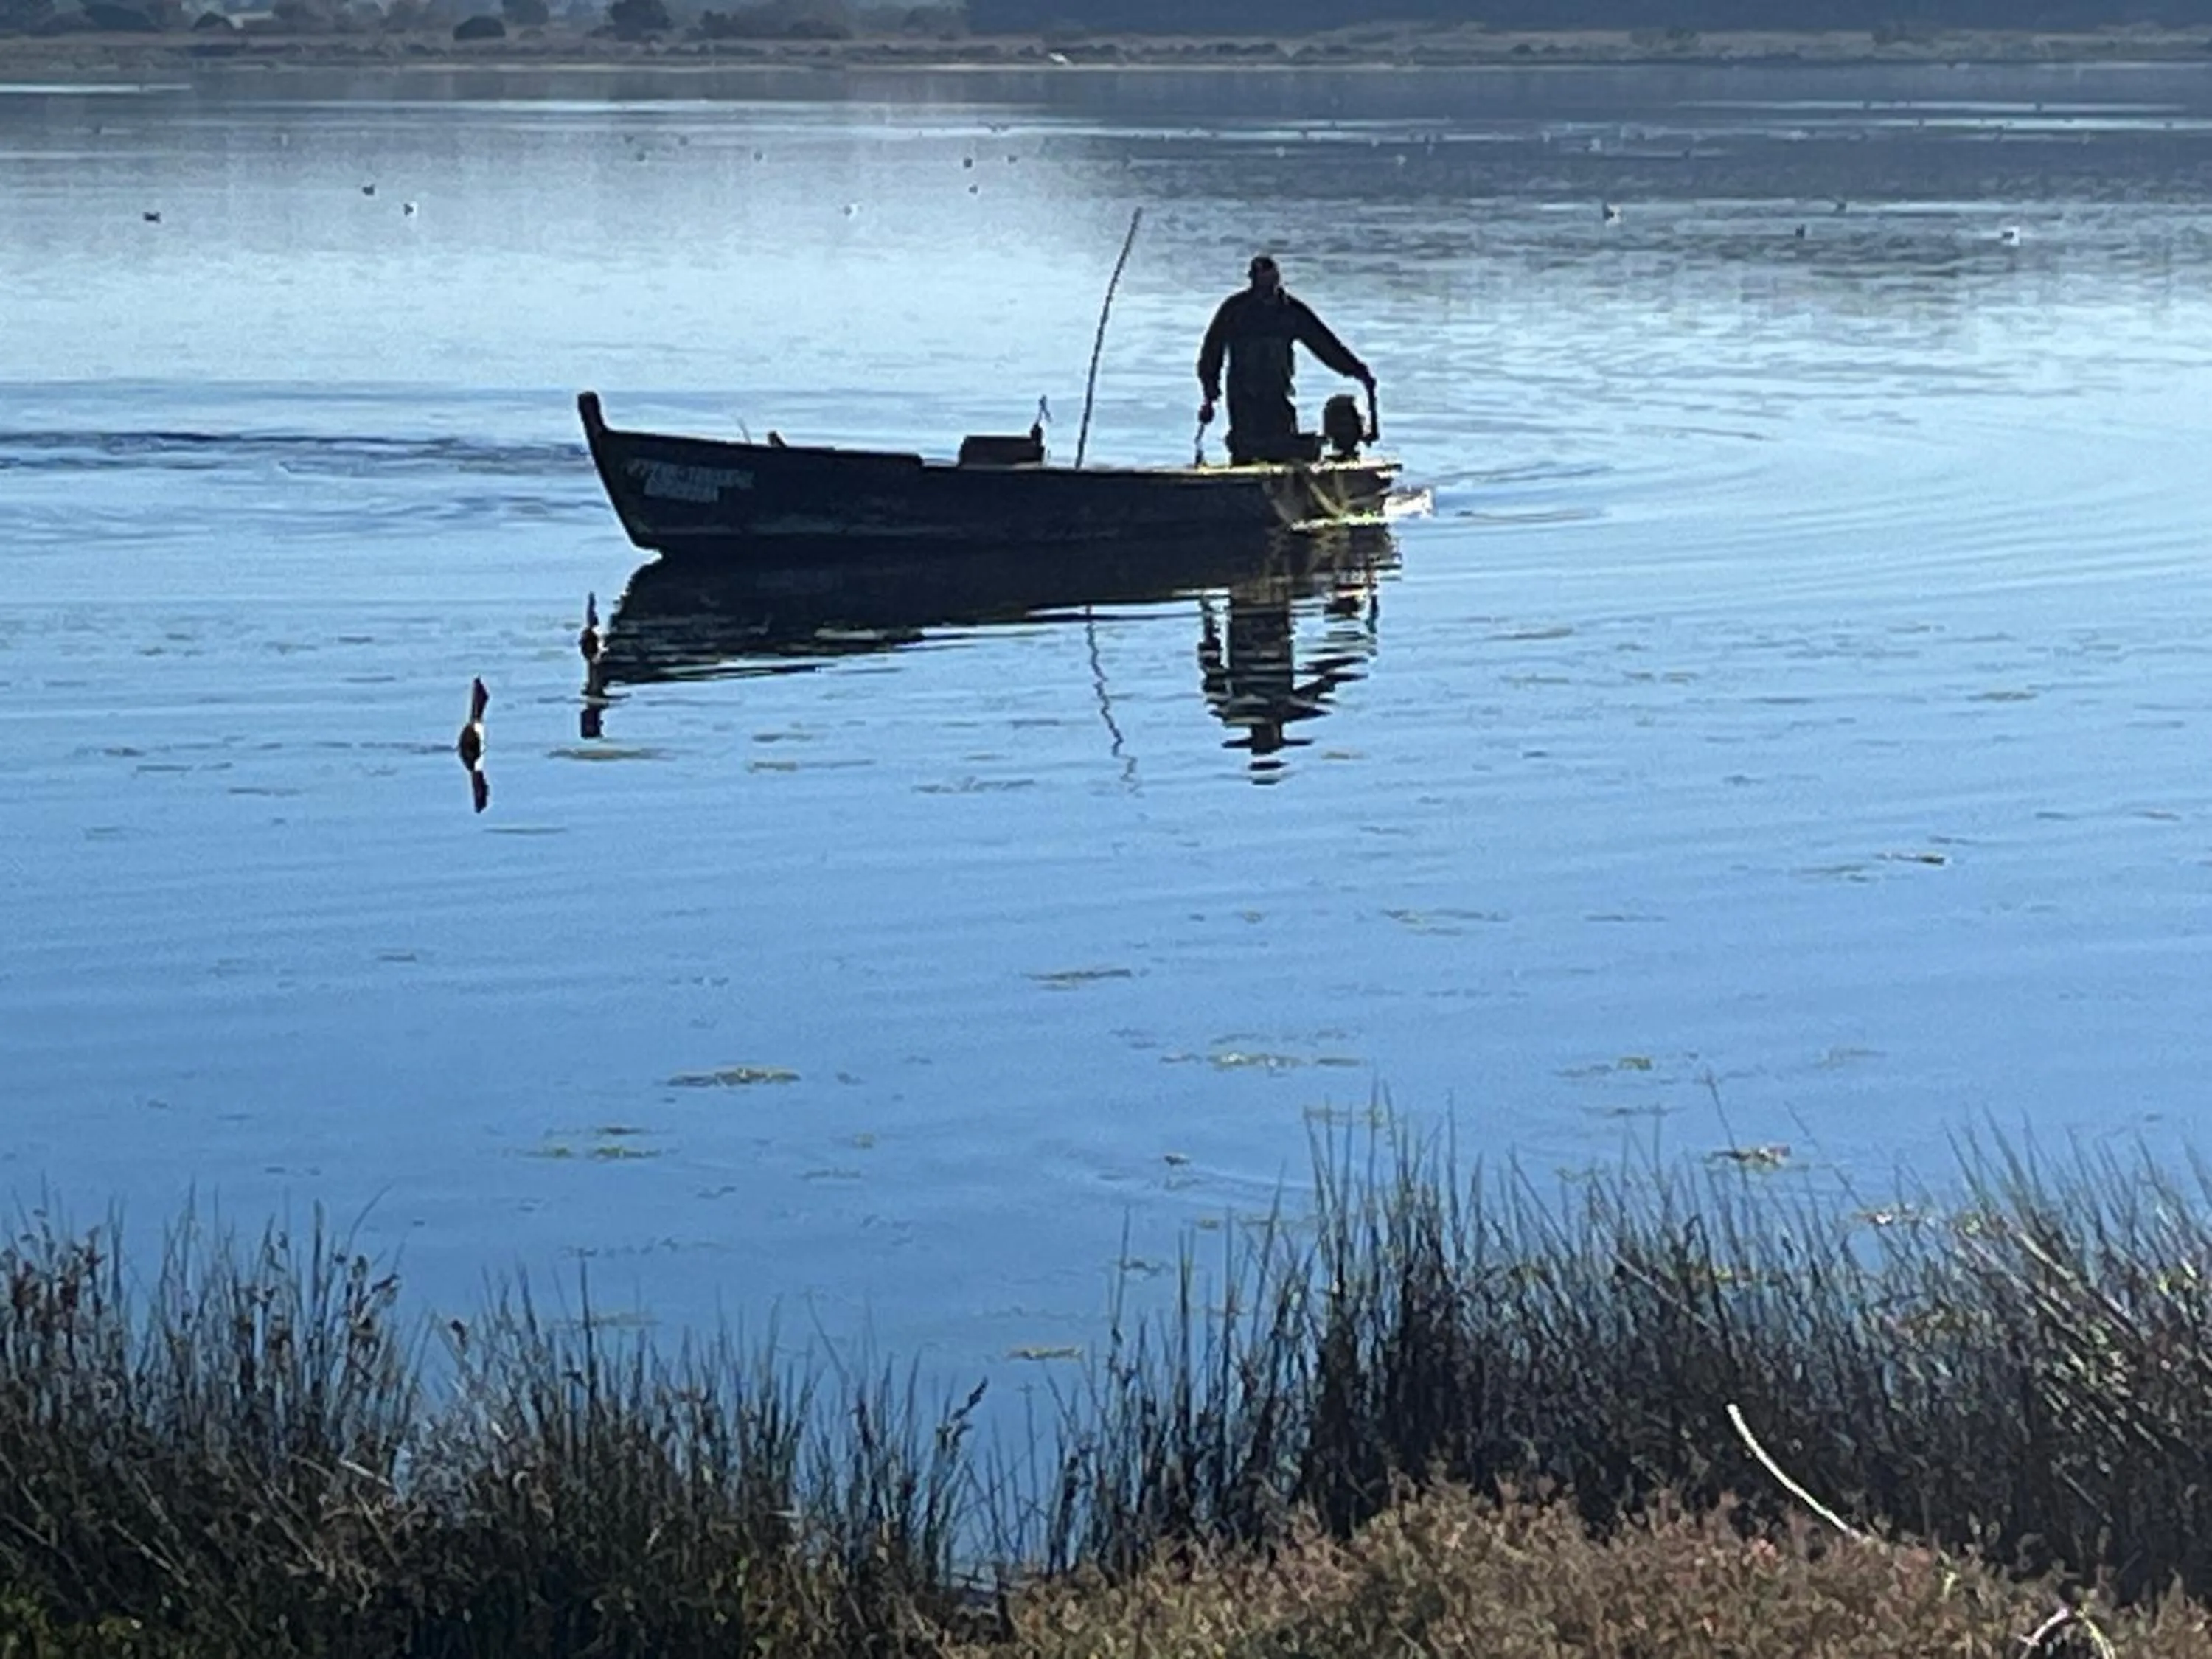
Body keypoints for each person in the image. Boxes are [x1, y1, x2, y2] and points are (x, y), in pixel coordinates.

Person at [1197, 254, 1374, 465]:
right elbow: (1211, 352)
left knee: (1281, 448)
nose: (1265, 290)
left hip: (1278, 395)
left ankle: (1287, 489)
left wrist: (1357, 371)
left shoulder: (1291, 312)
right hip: (1243, 397)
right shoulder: (1235, 311)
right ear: (1251, 280)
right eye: (1259, 282)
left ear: (1277, 280)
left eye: (1269, 282)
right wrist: (1210, 389)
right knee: (1245, 447)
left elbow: (1326, 347)